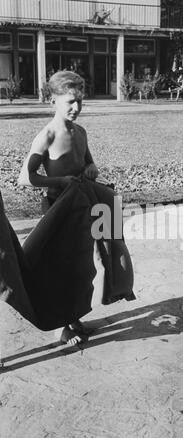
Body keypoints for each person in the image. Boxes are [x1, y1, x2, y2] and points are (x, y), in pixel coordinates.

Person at [18, 71, 100, 345]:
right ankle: (61, 326)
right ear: (53, 100)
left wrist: (91, 168)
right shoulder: (47, 136)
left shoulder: (81, 132)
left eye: (80, 101)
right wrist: (59, 180)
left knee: (81, 266)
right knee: (60, 268)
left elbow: (88, 163)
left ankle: (74, 316)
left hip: (81, 207)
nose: (77, 108)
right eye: (70, 102)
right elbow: (25, 177)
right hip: (57, 207)